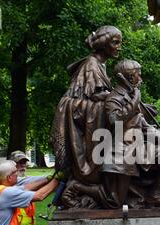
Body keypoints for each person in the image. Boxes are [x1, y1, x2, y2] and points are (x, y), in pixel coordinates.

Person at [50, 26, 122, 208]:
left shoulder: (99, 65)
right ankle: (87, 187)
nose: (119, 47)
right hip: (83, 117)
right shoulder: (91, 64)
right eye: (115, 42)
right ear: (104, 43)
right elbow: (94, 97)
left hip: (89, 114)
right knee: (98, 161)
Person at [102, 59, 160, 208]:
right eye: (139, 75)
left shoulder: (132, 98)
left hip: (139, 149)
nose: (141, 79)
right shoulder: (114, 98)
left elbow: (143, 125)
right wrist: (136, 98)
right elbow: (115, 120)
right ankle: (77, 189)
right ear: (130, 78)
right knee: (115, 201)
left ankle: (154, 195)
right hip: (123, 151)